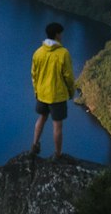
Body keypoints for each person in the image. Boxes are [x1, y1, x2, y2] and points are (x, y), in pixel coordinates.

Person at [30, 21, 76, 158]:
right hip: (57, 95)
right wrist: (71, 92)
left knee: (42, 118)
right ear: (57, 35)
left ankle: (34, 145)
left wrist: (36, 91)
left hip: (42, 94)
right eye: (61, 33)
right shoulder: (63, 53)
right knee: (57, 126)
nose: (62, 36)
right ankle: (57, 154)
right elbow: (68, 76)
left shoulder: (38, 52)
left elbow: (34, 74)